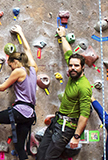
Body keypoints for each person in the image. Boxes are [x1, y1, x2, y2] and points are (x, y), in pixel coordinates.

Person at [36, 26, 92, 160]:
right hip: (57, 122)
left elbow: (84, 115)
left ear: (83, 67)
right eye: (71, 65)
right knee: (41, 154)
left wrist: (76, 137)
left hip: (67, 129)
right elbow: (68, 52)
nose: (72, 68)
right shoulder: (73, 73)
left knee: (49, 158)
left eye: (76, 66)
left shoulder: (84, 86)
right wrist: (62, 36)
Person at [0, 25, 38, 160]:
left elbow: (2, 87)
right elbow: (28, 50)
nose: (11, 69)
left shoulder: (18, 71)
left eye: (10, 65)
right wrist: (21, 33)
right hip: (30, 114)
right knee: (19, 145)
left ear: (15, 62)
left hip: (21, 110)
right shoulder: (33, 68)